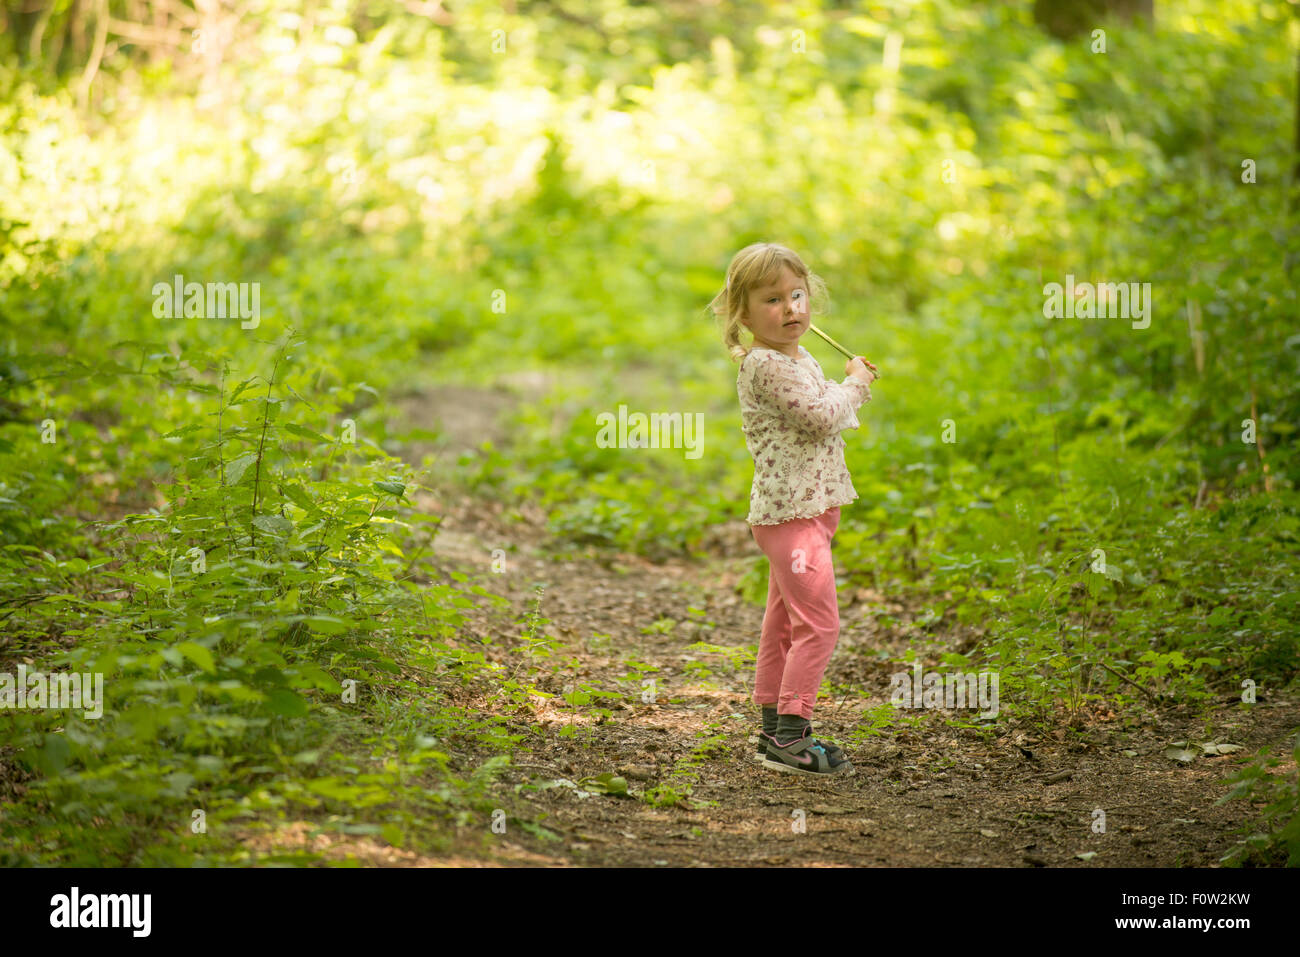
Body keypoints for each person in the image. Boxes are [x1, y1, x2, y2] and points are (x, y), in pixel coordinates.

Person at [710, 242, 878, 775]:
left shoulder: (797, 356)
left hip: (809, 513)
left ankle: (772, 731)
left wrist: (845, 383)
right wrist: (855, 383)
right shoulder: (764, 365)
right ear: (742, 313)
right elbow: (823, 416)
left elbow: (822, 402)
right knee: (821, 626)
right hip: (792, 519)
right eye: (772, 300)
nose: (791, 310)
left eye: (797, 295)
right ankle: (792, 735)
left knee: (782, 624)